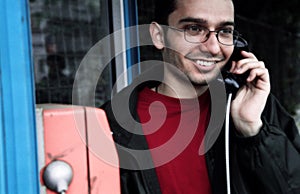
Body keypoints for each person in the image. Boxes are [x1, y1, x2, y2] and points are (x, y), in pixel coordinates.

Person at [101, 0, 300, 193]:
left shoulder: (257, 110)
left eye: (225, 32)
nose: (213, 48)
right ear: (159, 36)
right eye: (194, 29)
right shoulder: (112, 124)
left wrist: (252, 132)